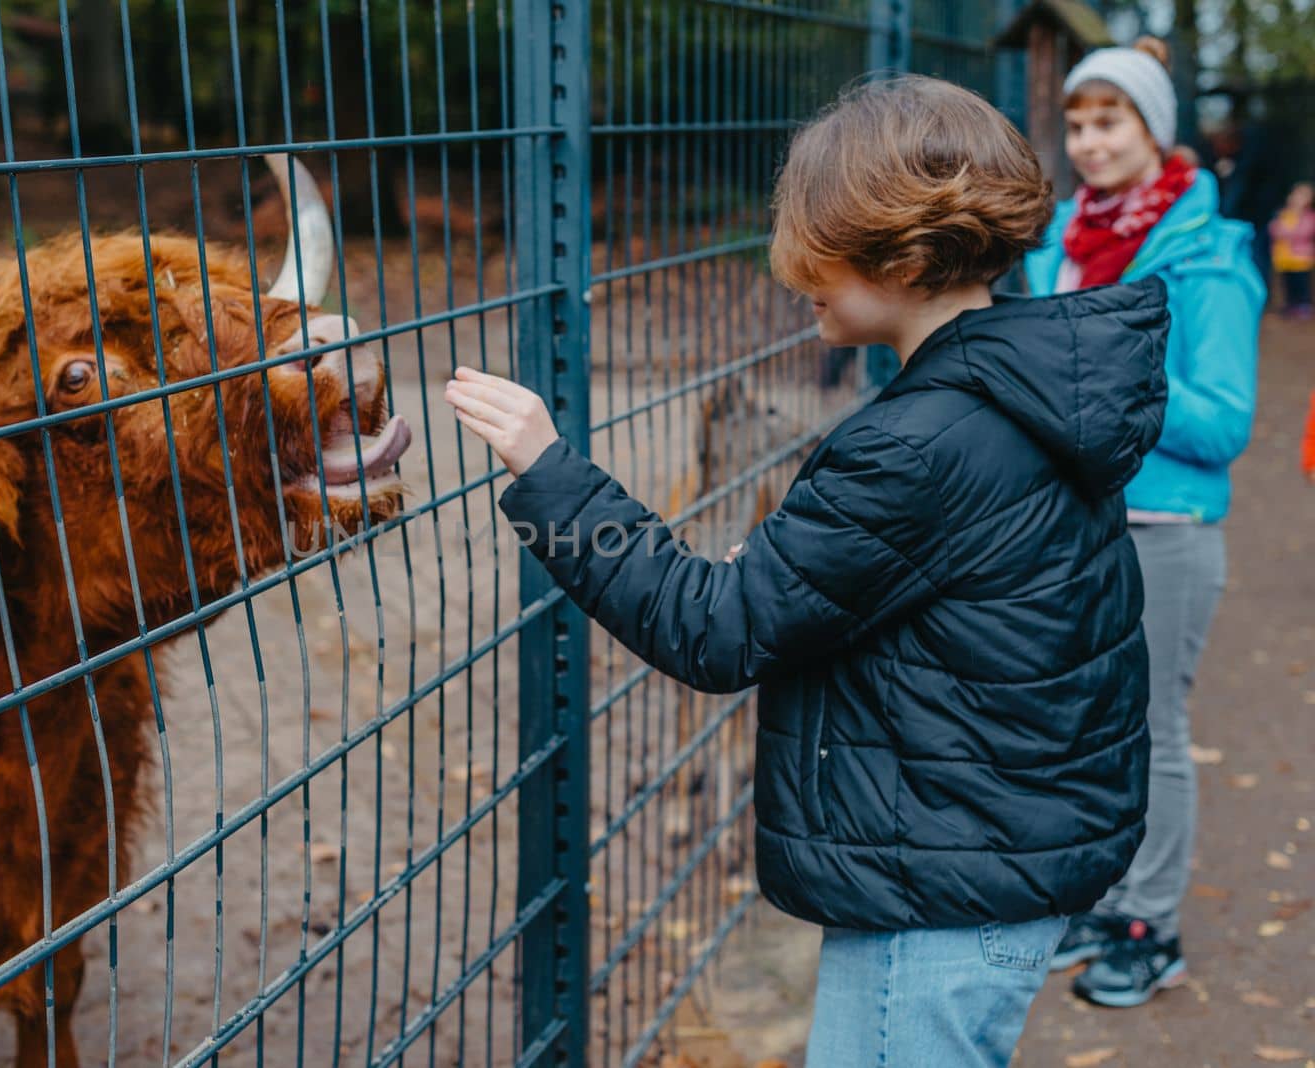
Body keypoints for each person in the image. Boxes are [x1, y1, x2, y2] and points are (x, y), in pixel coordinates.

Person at [446, 75, 1166, 1067]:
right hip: (992, 854)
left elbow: (715, 629)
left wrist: (550, 472)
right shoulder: (1026, 391)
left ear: (901, 255)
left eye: (817, 252)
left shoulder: (918, 444)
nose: (796, 277)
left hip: (938, 894)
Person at [1024, 37, 1265, 1009]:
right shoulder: (1061, 245)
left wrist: (1104, 372)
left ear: (1152, 128)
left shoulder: (1209, 258)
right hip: (1070, 527)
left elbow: (1222, 423)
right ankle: (1102, 895)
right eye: (1076, 124)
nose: (1086, 143)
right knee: (1081, 725)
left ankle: (1149, 924)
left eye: (1108, 121)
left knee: (1149, 728)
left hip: (1163, 526)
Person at [1270, 182, 1315, 318]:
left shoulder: (1309, 217)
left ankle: (1304, 304)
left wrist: (1288, 233)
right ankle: (1291, 304)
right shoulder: (1283, 214)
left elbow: (1306, 231)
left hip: (1301, 258)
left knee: (1301, 283)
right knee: (1287, 283)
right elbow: (1273, 230)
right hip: (1284, 257)